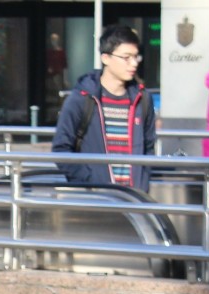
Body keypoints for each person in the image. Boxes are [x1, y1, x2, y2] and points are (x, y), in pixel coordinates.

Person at [52, 25, 157, 189]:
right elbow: (61, 149)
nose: (134, 63)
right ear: (106, 58)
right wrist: (89, 180)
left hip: (134, 199)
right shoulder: (82, 99)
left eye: (136, 57)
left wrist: (142, 182)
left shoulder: (143, 99)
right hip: (96, 199)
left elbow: (148, 147)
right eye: (126, 57)